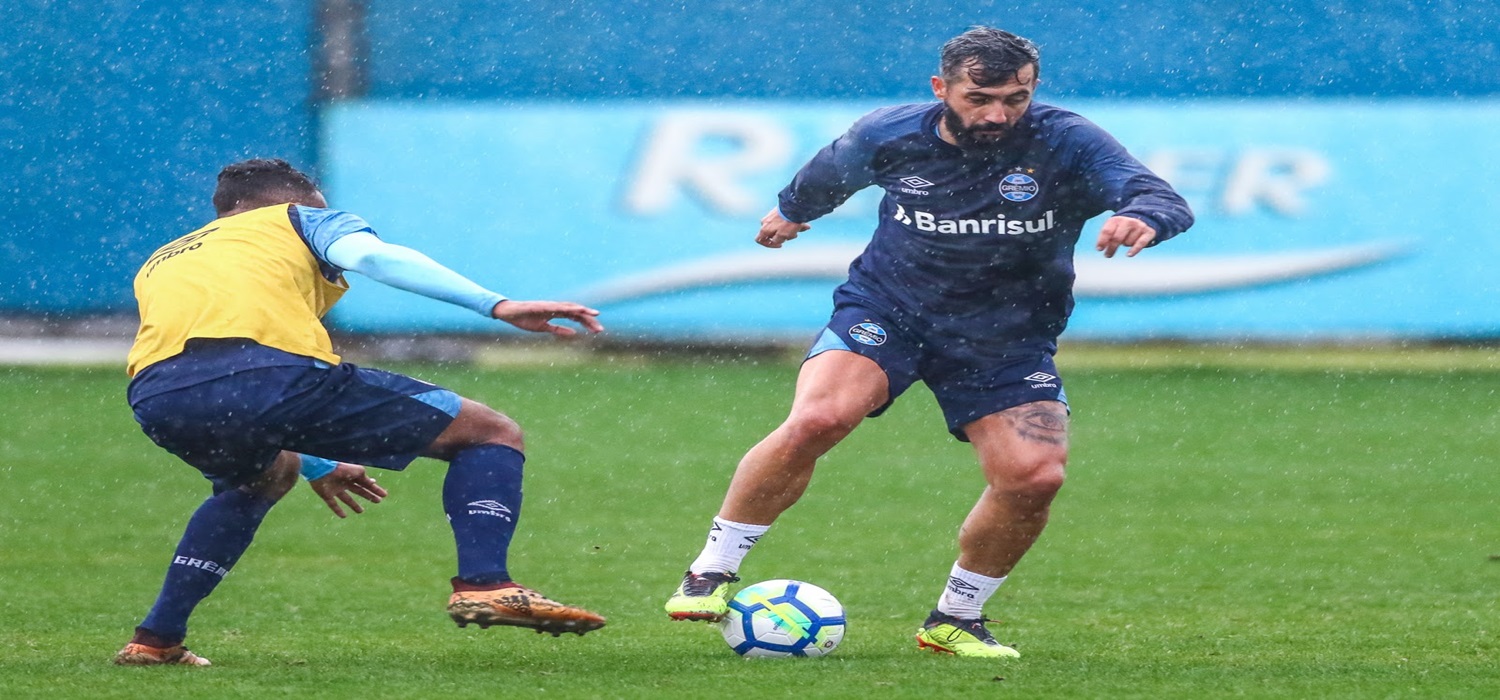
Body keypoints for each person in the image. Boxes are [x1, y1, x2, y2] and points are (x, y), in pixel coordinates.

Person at [663, 27, 1193, 659]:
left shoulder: (1066, 139)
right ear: (941, 88)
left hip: (1007, 338)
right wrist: (792, 211)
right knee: (821, 417)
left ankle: (956, 618)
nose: (998, 113)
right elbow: (829, 173)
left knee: (1034, 477)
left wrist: (1142, 216)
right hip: (889, 309)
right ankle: (712, 569)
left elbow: (1160, 195)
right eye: (980, 97)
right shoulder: (890, 134)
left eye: (1016, 98)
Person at [114, 158, 608, 667]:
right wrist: (496, 305)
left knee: (261, 479)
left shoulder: (164, 258)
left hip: (158, 396)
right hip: (269, 373)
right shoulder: (297, 218)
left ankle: (156, 639)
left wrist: (320, 462)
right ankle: (485, 583)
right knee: (489, 433)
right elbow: (372, 256)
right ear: (301, 199)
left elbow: (215, 383)